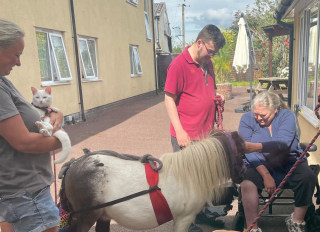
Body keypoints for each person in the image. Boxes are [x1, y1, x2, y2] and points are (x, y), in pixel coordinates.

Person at [0, 19, 64, 232]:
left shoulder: (3, 81)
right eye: (16, 54)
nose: (18, 63)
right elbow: (23, 142)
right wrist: (62, 140)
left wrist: (54, 113)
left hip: (18, 192)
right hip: (25, 194)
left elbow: (21, 117)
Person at [164, 24, 227, 232]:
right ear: (199, 43)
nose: (211, 56)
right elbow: (169, 99)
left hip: (205, 134)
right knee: (187, 183)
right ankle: (186, 223)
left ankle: (200, 214)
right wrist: (180, 131)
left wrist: (216, 97)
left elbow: (209, 89)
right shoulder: (178, 65)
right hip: (187, 135)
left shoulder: (206, 63)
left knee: (203, 180)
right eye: (210, 51)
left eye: (214, 53)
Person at [238, 91, 317, 232]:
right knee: (247, 182)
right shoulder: (246, 119)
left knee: (307, 177)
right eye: (256, 114)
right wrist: (266, 175)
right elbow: (247, 151)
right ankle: (252, 227)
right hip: (259, 164)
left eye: (263, 115)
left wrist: (256, 146)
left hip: (288, 161)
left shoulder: (287, 116)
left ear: (275, 109)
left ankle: (296, 221)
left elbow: (283, 144)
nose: (258, 118)